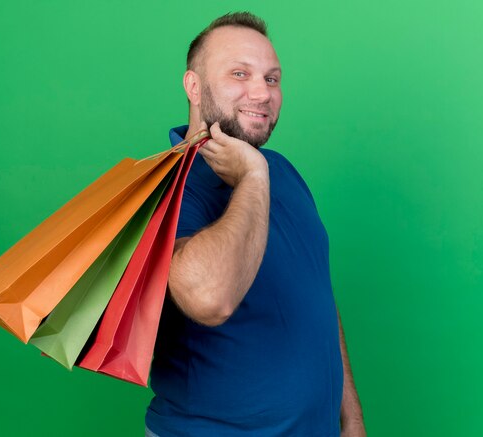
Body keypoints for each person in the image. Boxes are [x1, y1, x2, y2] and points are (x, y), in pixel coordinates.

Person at [145, 12, 366, 437]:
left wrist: (350, 419)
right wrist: (251, 178)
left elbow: (317, 295)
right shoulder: (167, 186)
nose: (261, 92)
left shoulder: (282, 170)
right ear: (193, 86)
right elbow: (210, 299)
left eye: (271, 78)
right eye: (239, 73)